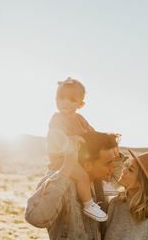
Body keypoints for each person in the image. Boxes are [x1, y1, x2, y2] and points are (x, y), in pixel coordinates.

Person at [47, 76, 112, 222]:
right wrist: (72, 139)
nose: (65, 102)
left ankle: (102, 182)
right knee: (82, 175)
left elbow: (92, 133)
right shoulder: (57, 119)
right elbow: (56, 138)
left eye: (71, 100)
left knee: (96, 161)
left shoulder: (80, 119)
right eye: (61, 97)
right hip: (62, 161)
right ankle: (88, 204)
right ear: (55, 99)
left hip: (77, 157)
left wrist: (105, 138)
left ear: (80, 104)